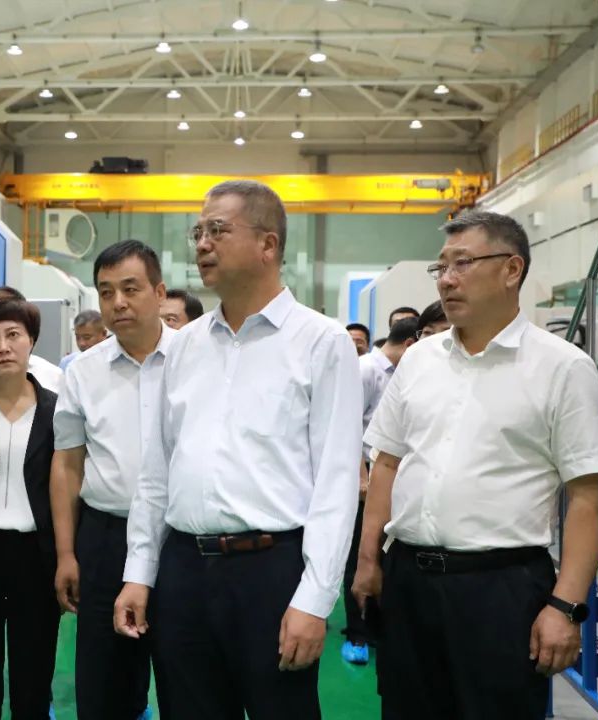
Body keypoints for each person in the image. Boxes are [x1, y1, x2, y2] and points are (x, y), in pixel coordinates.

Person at [352, 210, 598, 720]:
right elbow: (386, 463)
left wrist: (565, 606)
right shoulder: (420, 360)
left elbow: (589, 497)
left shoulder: (562, 368)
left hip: (501, 589)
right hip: (409, 580)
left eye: (463, 263)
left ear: (512, 269)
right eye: (441, 267)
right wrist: (368, 562)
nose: (446, 279)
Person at [115, 180, 362, 720]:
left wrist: (315, 599)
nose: (202, 244)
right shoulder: (184, 347)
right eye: (198, 232)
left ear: (268, 244)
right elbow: (157, 472)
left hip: (270, 571)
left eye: (218, 230)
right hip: (185, 570)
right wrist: (140, 571)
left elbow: (337, 482)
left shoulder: (321, 342)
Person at [51, 240, 175, 720]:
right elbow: (67, 465)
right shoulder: (82, 372)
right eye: (106, 292)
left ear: (159, 292)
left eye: (130, 289)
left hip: (181, 540)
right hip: (106, 540)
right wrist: (67, 553)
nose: (118, 302)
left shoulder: (194, 359)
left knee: (186, 674)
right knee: (104, 683)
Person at [0, 289, 60, 720]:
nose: (3, 347)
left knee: (33, 674)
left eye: (13, 334)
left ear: (31, 340)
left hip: (36, 555)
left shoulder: (58, 409)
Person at [340, 316, 418, 666]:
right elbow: (347, 428)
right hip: (366, 474)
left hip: (390, 474)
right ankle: (356, 633)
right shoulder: (366, 370)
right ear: (409, 343)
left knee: (384, 554)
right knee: (360, 552)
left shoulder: (403, 372)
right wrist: (361, 479)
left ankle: (376, 628)